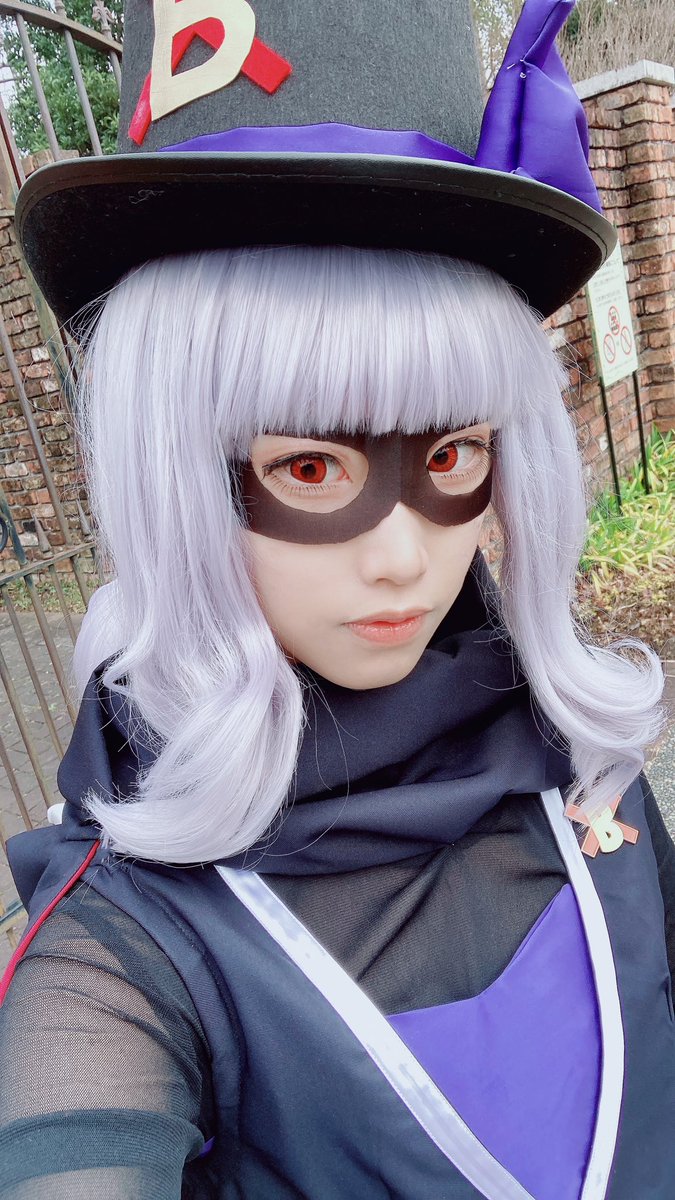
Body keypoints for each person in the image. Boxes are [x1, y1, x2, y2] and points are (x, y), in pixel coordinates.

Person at [1, 2, 675, 1199]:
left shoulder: (588, 762)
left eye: (453, 455)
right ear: (178, 476)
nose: (405, 557)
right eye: (310, 469)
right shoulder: (121, 951)